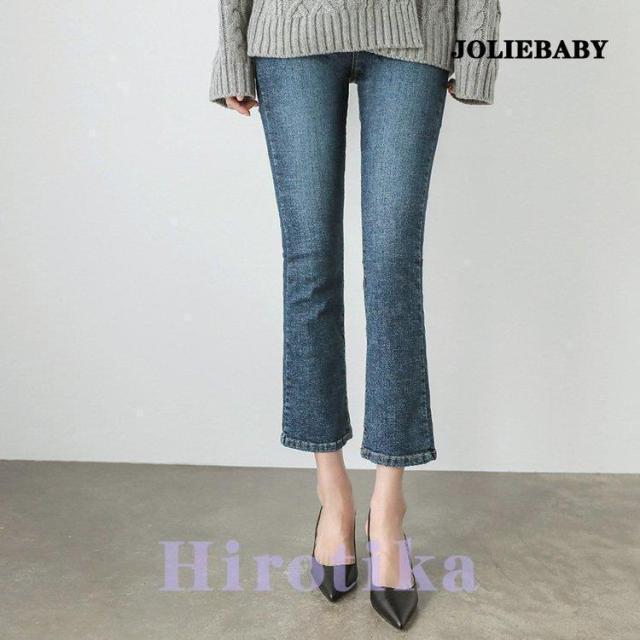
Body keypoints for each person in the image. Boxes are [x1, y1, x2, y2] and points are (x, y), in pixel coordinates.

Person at [210, 0, 500, 629]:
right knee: (310, 264)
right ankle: (334, 494)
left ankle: (388, 509)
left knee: (393, 265)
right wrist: (232, 50)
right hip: (291, 31)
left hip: (416, 30)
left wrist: (477, 51)